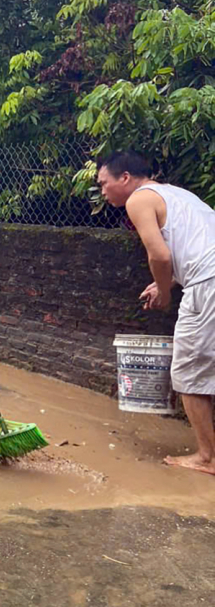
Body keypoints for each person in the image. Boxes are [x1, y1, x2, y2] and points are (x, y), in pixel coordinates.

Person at [97, 150, 215, 476]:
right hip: (206, 276)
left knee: (188, 372)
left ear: (124, 178)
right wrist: (166, 282)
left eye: (104, 183)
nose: (103, 191)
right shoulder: (178, 194)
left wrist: (164, 291)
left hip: (207, 285)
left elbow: (161, 256)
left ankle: (207, 458)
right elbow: (193, 249)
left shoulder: (139, 199)